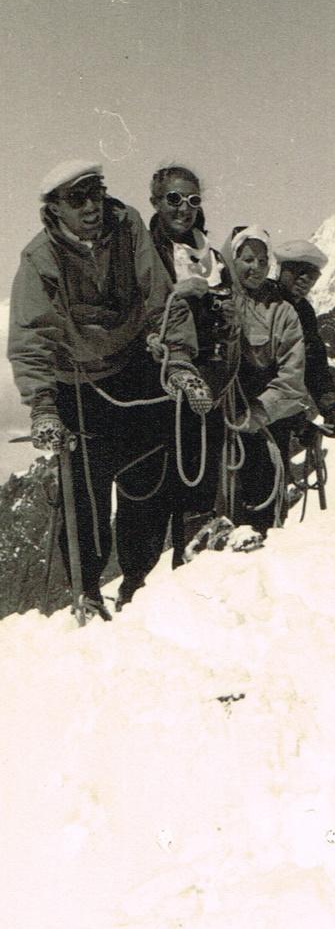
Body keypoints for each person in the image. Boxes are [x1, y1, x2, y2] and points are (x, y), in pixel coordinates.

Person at [7, 159, 211, 618]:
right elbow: (31, 336)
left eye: (96, 194)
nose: (92, 206)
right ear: (55, 208)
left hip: (130, 366)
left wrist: (178, 359)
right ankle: (88, 593)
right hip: (75, 382)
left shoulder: (128, 227)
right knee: (86, 491)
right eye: (77, 199)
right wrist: (42, 406)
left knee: (148, 477)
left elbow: (161, 296)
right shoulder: (40, 258)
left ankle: (137, 580)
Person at [148, 162, 237, 562]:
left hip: (210, 374)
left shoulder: (211, 255)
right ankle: (137, 583)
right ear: (156, 202)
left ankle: (192, 556)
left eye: (192, 199)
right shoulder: (143, 252)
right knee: (157, 481)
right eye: (173, 199)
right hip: (157, 377)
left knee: (200, 468)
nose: (183, 208)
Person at [222, 225, 317, 534]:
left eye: (263, 261)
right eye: (248, 259)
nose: (256, 267)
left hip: (266, 423)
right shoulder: (216, 302)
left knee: (263, 512)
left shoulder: (284, 313)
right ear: (232, 259)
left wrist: (260, 413)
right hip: (221, 423)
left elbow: (293, 378)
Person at [273, 240, 335, 438]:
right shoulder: (263, 303)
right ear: (282, 269)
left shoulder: (304, 312)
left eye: (312, 275)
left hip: (280, 412)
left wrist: (332, 408)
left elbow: (315, 363)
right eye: (299, 270)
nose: (305, 279)